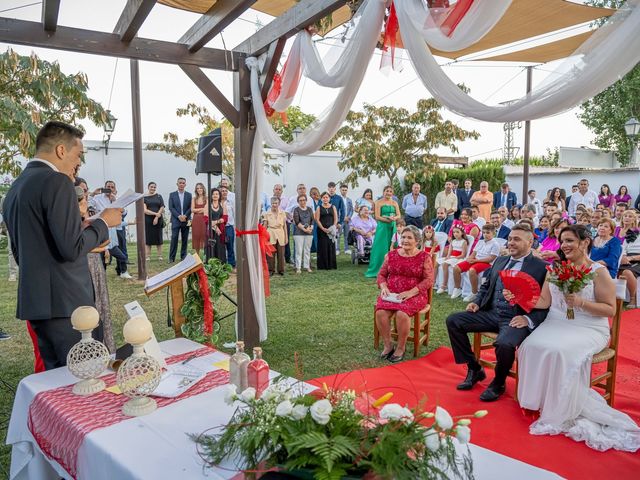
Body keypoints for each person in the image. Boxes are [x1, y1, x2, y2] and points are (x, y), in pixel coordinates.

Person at [2, 121, 120, 370]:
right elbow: (70, 248)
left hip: (38, 304)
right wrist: (102, 223)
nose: (79, 163)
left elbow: (23, 251)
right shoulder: (57, 182)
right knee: (84, 379)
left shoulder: (15, 188)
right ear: (60, 150)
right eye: (79, 155)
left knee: (56, 382)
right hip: (67, 305)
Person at [515, 225, 640, 452]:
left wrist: (581, 302)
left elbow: (610, 310)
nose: (564, 245)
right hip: (556, 322)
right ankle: (536, 402)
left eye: (570, 240)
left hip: (588, 327)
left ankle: (559, 406)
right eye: (562, 241)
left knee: (560, 351)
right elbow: (544, 301)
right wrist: (520, 296)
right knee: (529, 345)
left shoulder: (598, 271)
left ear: (584, 242)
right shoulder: (555, 269)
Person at [446, 224, 549, 402]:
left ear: (530, 241)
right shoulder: (501, 261)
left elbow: (548, 304)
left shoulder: (541, 267)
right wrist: (476, 303)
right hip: (491, 312)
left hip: (516, 317)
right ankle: (474, 368)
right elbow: (486, 286)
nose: (511, 243)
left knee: (505, 343)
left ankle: (499, 382)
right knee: (454, 321)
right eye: (509, 239)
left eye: (516, 239)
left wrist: (527, 319)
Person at [375, 225, 434, 363]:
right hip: (392, 294)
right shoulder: (391, 255)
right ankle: (388, 345)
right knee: (380, 312)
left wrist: (410, 292)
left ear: (417, 241)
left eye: (409, 237)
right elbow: (381, 274)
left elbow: (429, 280)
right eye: (403, 237)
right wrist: (383, 286)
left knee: (402, 313)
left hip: (415, 294)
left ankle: (401, 348)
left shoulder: (424, 257)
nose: (405, 240)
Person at [75, 180, 115, 353]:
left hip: (95, 260)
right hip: (82, 264)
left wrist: (103, 247)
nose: (84, 194)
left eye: (86, 190)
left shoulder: (87, 211)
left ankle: (106, 345)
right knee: (90, 304)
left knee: (101, 302)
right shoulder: (72, 216)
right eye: (80, 192)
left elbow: (101, 239)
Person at [453, 223, 501, 302]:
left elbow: (491, 258)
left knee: (472, 270)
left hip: (487, 263)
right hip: (476, 260)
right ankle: (457, 288)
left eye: (488, 233)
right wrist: (470, 258)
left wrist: (475, 260)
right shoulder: (480, 242)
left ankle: (474, 293)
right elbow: (474, 253)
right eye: (484, 232)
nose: (485, 235)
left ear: (493, 233)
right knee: (456, 267)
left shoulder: (495, 244)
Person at [365, 186, 401, 278]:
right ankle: (379, 269)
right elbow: (377, 216)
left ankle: (393, 270)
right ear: (383, 192)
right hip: (382, 227)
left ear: (392, 193)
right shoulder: (378, 202)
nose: (388, 193)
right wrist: (387, 219)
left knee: (393, 246)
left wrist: (394, 219)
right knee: (381, 247)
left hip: (392, 226)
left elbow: (399, 215)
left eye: (390, 191)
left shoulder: (394, 203)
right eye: (387, 191)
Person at [436, 226, 470, 295]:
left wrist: (453, 258)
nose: (455, 234)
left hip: (459, 258)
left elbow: (463, 255)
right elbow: (449, 252)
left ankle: (444, 285)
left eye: (457, 232)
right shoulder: (453, 241)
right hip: (452, 257)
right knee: (436, 262)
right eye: (454, 232)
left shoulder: (464, 242)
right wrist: (448, 257)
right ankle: (434, 282)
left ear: (462, 233)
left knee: (445, 264)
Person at [168, 177, 192, 263]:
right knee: (174, 238)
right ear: (177, 184)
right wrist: (178, 216)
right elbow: (171, 207)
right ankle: (171, 258)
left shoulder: (189, 195)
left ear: (185, 184)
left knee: (185, 239)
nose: (181, 184)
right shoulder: (172, 194)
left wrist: (185, 215)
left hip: (187, 219)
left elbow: (190, 207)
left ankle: (183, 256)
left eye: (183, 183)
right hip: (175, 219)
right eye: (180, 183)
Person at [263, 196, 287, 275]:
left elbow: (284, 226)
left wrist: (286, 237)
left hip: (280, 233)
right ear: (271, 204)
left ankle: (281, 270)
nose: (274, 205)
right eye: (273, 203)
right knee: (270, 253)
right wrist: (264, 237)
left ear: (279, 203)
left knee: (281, 253)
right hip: (271, 232)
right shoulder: (267, 213)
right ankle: (271, 270)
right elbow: (265, 225)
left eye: (276, 203)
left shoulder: (282, 213)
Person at [314, 191, 338, 270]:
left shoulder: (333, 207)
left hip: (331, 230)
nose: (325, 199)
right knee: (323, 247)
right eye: (323, 197)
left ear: (329, 198)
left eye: (327, 197)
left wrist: (333, 227)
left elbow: (336, 218)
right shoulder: (319, 207)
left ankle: (331, 265)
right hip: (322, 230)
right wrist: (323, 229)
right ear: (321, 199)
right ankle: (323, 265)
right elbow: (317, 220)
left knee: (331, 246)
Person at [618, 226, 640, 308]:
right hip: (625, 258)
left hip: (637, 259)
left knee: (626, 272)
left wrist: (632, 258)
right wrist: (623, 256)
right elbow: (623, 248)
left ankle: (632, 298)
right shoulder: (631, 234)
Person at [292, 194, 314, 274]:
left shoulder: (310, 209)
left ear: (306, 200)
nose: (302, 202)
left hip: (309, 232)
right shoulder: (296, 210)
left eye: (304, 200)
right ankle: (298, 267)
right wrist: (305, 230)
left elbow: (312, 220)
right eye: (300, 200)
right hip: (298, 233)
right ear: (298, 201)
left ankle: (307, 266)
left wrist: (310, 228)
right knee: (299, 250)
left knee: (307, 250)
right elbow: (297, 222)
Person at [143, 182, 165, 261]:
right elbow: (145, 210)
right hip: (148, 220)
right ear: (148, 187)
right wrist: (155, 214)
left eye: (154, 187)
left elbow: (162, 207)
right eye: (151, 187)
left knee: (159, 238)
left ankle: (160, 256)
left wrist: (157, 216)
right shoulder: (144, 197)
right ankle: (148, 256)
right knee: (148, 238)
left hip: (158, 220)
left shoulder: (159, 196)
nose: (153, 188)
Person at [209, 188, 227, 264]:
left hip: (220, 231)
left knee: (220, 247)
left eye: (217, 194)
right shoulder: (208, 205)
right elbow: (206, 219)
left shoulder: (222, 205)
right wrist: (215, 227)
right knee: (211, 247)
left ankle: (221, 265)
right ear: (211, 195)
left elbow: (225, 217)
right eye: (213, 194)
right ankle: (211, 266)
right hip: (210, 231)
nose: (215, 195)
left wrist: (216, 222)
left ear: (219, 195)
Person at [220, 184, 236, 270]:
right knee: (221, 246)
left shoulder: (231, 202)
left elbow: (234, 213)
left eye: (226, 191)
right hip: (220, 227)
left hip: (229, 226)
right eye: (222, 191)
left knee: (230, 245)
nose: (224, 192)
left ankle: (231, 263)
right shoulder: (217, 202)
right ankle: (223, 263)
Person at [191, 182, 208, 258]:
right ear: (196, 190)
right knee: (196, 236)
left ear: (203, 189)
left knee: (204, 236)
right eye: (197, 188)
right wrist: (202, 209)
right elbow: (192, 210)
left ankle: (205, 255)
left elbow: (207, 209)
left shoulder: (207, 198)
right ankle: (197, 256)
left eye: (200, 188)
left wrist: (197, 209)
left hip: (204, 219)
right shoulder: (194, 199)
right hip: (196, 220)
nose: (199, 189)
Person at [327, 182, 345, 255]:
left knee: (334, 237)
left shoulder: (339, 198)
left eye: (333, 189)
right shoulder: (325, 197)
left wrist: (340, 222)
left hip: (335, 221)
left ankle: (333, 252)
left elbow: (343, 211)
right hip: (325, 221)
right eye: (330, 189)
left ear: (335, 189)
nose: (331, 190)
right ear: (328, 189)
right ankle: (325, 253)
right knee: (325, 238)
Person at [338, 184, 354, 255]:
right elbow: (336, 210)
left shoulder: (349, 200)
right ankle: (337, 249)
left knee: (346, 235)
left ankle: (346, 249)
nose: (344, 191)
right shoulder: (338, 199)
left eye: (345, 190)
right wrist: (342, 217)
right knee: (338, 235)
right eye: (343, 190)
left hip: (347, 220)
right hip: (340, 220)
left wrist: (349, 217)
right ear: (340, 190)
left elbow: (351, 210)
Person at [309, 187, 321, 254]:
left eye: (315, 193)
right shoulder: (310, 201)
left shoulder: (320, 201)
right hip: (313, 221)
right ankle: (313, 249)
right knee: (313, 235)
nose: (314, 195)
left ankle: (318, 249)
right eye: (312, 194)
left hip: (320, 220)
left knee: (319, 235)